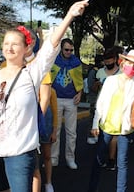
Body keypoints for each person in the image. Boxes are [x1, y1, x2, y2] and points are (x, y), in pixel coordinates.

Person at [0, 0, 88, 192]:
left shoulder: (31, 74)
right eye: (6, 43)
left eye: (15, 44)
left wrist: (69, 15)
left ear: (26, 48)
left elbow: (50, 48)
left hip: (20, 152)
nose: (9, 48)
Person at [88, 50, 134, 192]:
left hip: (125, 128)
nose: (132, 68)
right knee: (99, 159)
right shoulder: (111, 81)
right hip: (107, 126)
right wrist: (95, 124)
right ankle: (92, 189)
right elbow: (101, 103)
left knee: (122, 163)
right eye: (130, 63)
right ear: (122, 62)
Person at [50, 38, 84, 170]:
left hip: (71, 99)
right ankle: (53, 158)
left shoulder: (76, 62)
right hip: (56, 99)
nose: (69, 52)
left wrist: (80, 93)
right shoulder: (54, 60)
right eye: (66, 49)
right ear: (61, 49)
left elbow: (79, 80)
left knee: (71, 132)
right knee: (55, 130)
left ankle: (70, 158)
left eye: (71, 50)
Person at [95, 48, 121, 170]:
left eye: (110, 59)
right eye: (106, 60)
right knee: (103, 134)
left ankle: (111, 159)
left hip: (116, 107)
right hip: (102, 107)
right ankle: (101, 158)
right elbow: (93, 88)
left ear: (115, 59)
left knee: (114, 135)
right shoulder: (100, 72)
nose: (108, 62)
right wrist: (97, 85)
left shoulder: (121, 73)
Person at [86, 55, 104, 145]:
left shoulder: (100, 71)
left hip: (99, 98)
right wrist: (98, 84)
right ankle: (91, 136)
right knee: (93, 117)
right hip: (94, 99)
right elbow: (91, 86)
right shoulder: (93, 72)